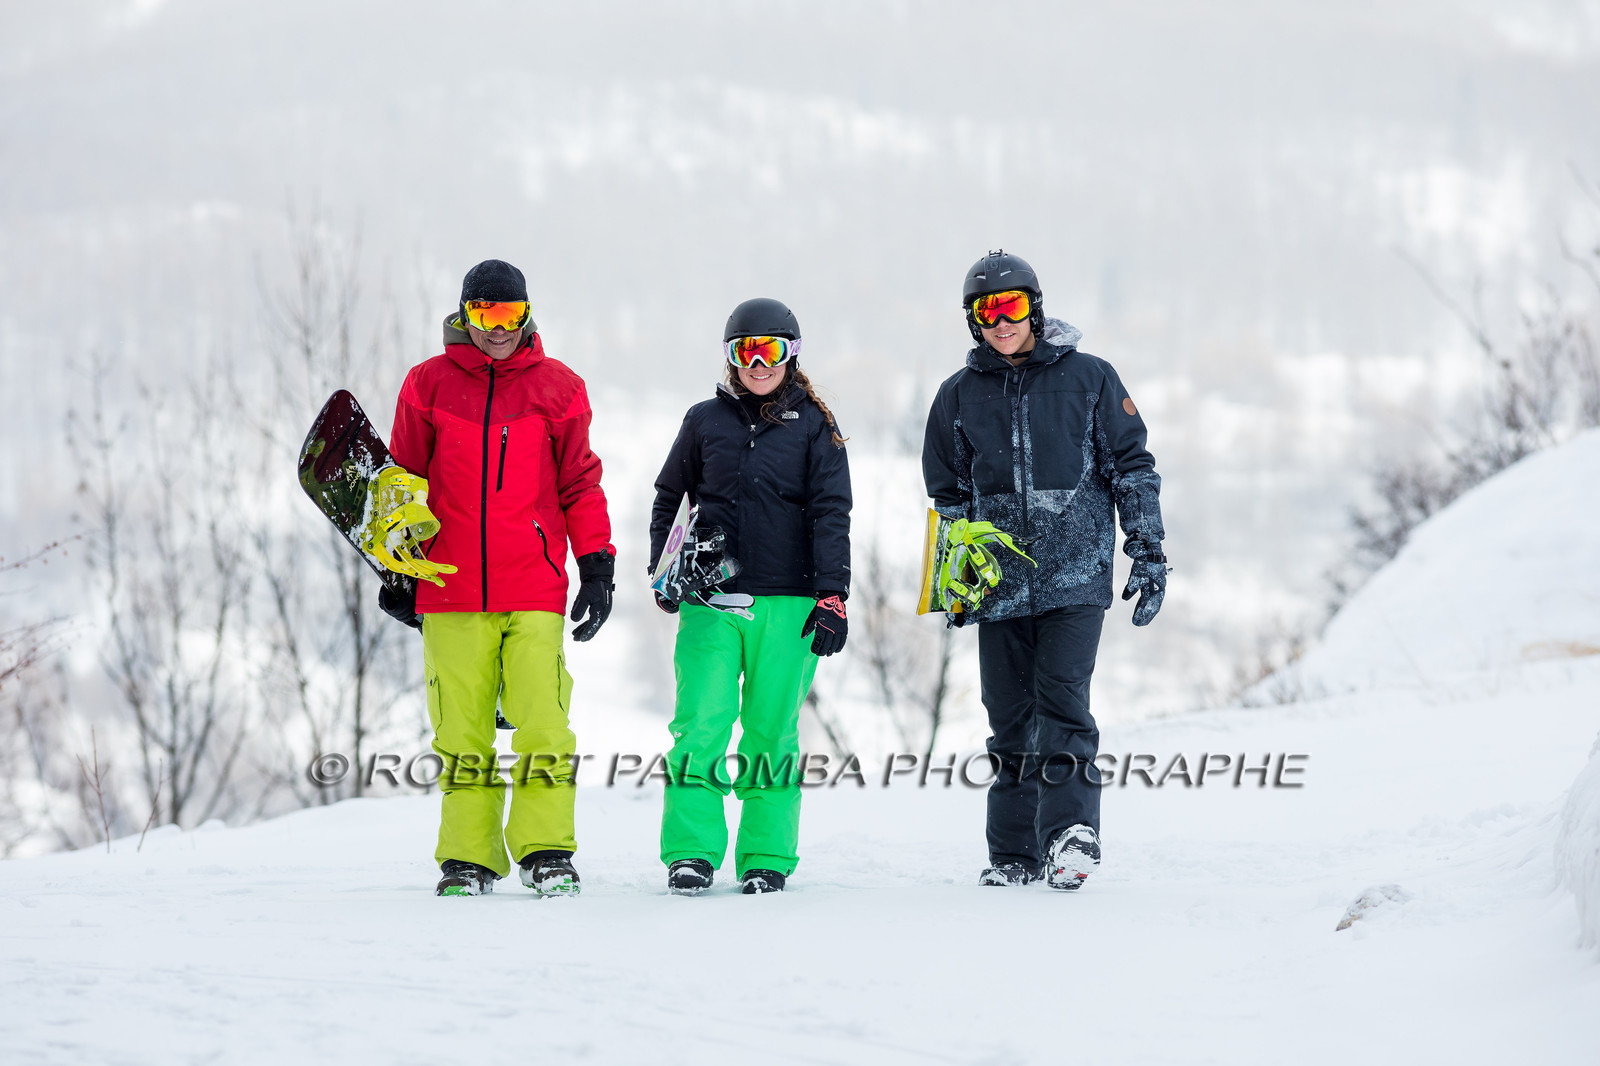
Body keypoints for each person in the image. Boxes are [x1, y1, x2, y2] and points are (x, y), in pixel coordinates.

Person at [922, 250, 1167, 891]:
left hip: (1075, 573)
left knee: (1061, 702)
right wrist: (950, 579)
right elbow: (948, 500)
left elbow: (1131, 467)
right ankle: (1014, 855)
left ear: (1034, 304)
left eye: (1012, 306)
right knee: (1008, 716)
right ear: (973, 320)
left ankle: (1068, 838)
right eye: (987, 311)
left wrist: (1146, 546)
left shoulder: (1090, 378)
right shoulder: (957, 394)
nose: (1001, 322)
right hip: (998, 582)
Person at [381, 258, 616, 897]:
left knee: (543, 719)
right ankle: (468, 858)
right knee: (462, 730)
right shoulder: (426, 385)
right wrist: (397, 566)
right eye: (486, 315)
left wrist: (596, 564)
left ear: (527, 313)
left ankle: (545, 851)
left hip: (534, 583)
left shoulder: (558, 388)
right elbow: (404, 481)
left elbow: (579, 480)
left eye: (510, 315)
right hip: (449, 584)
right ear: (465, 315)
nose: (499, 329)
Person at [648, 297, 851, 895]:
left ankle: (765, 854)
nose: (758, 364)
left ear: (791, 355)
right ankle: (691, 851)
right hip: (711, 602)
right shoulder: (703, 420)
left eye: (771, 351)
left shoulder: (817, 427)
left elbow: (831, 512)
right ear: (731, 358)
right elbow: (669, 497)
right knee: (700, 727)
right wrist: (665, 571)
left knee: (771, 732)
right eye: (745, 352)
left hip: (789, 605)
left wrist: (833, 595)